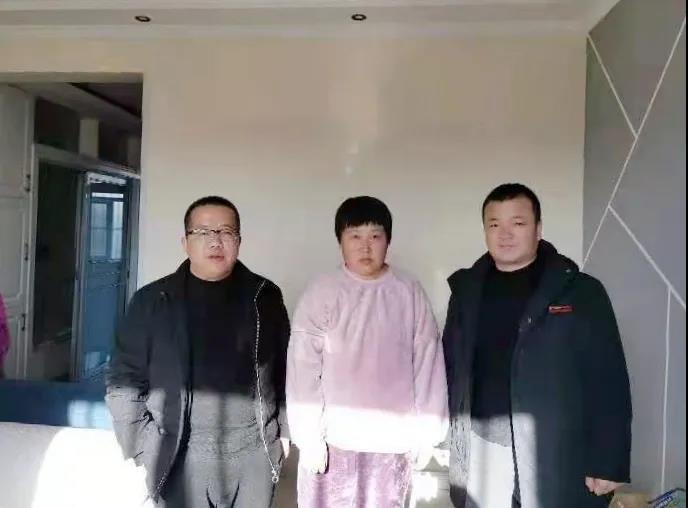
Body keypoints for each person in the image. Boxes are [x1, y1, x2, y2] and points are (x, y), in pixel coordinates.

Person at [442, 183, 632, 508]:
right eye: (494, 224)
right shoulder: (465, 293)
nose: (505, 234)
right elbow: (449, 366)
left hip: (556, 450)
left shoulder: (580, 292)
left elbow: (608, 378)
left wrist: (608, 460)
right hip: (484, 447)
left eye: (517, 223)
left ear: (538, 229)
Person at [106, 195, 290, 508]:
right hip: (180, 452)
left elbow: (287, 370)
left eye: (226, 232)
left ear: (239, 241)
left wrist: (283, 434)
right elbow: (124, 379)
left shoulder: (265, 297)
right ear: (185, 243)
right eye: (203, 232)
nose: (215, 241)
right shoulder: (152, 301)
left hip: (253, 454)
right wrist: (144, 446)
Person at [287, 196, 448, 508]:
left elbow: (428, 361)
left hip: (392, 442)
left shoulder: (408, 291)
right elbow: (303, 367)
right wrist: (308, 436)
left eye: (375, 236)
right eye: (355, 236)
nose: (365, 247)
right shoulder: (322, 291)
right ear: (340, 242)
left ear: (388, 240)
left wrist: (427, 432)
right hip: (332, 442)